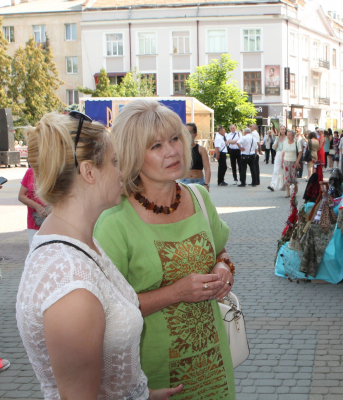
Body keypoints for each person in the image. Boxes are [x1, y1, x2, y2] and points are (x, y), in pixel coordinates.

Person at [16, 111, 182, 399]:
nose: (122, 172)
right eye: (114, 162)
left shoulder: (80, 242)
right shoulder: (71, 284)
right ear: (89, 172)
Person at [94, 100, 236, 399]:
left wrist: (223, 268)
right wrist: (176, 293)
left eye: (174, 139)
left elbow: (220, 252)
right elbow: (103, 312)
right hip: (152, 376)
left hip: (213, 364)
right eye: (156, 145)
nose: (172, 151)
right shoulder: (114, 220)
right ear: (133, 154)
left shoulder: (199, 198)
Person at [18, 167, 50, 246]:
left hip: (52, 221)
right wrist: (37, 206)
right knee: (34, 250)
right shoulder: (30, 172)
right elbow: (21, 196)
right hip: (34, 222)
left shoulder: (55, 170)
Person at [180, 122, 211, 190]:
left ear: (195, 134)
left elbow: (207, 168)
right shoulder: (180, 149)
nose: (186, 134)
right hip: (183, 182)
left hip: (199, 182)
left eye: (189, 132)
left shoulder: (201, 150)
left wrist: (206, 184)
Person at [282, 129, 303, 198]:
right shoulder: (285, 143)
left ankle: (295, 186)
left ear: (293, 136)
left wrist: (297, 161)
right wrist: (282, 161)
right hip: (286, 161)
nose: (288, 137)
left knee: (293, 177)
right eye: (287, 135)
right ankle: (288, 192)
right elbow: (283, 152)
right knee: (287, 177)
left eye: (290, 135)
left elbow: (300, 152)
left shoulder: (297, 143)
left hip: (294, 161)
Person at [268, 125, 287, 192]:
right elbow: (274, 147)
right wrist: (278, 138)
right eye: (281, 129)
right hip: (278, 153)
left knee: (284, 170)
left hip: (285, 154)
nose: (282, 130)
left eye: (283, 129)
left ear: (285, 130)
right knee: (276, 170)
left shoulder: (287, 138)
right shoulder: (277, 138)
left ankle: (285, 185)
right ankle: (273, 185)